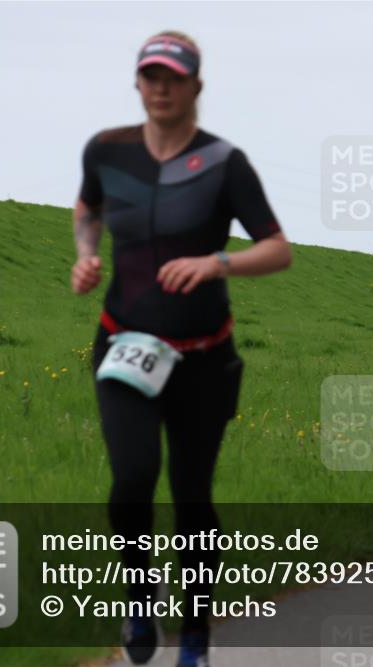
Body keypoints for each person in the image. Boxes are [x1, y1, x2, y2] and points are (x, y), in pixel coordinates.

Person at [71, 30, 292, 667]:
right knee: (132, 480)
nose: (161, 88)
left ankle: (195, 634)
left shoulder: (225, 163)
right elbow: (86, 210)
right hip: (124, 345)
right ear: (138, 84)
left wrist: (218, 262)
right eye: (150, 77)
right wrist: (86, 256)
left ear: (196, 86)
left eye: (173, 77)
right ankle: (140, 600)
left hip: (202, 357)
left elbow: (278, 249)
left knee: (192, 495)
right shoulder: (107, 151)